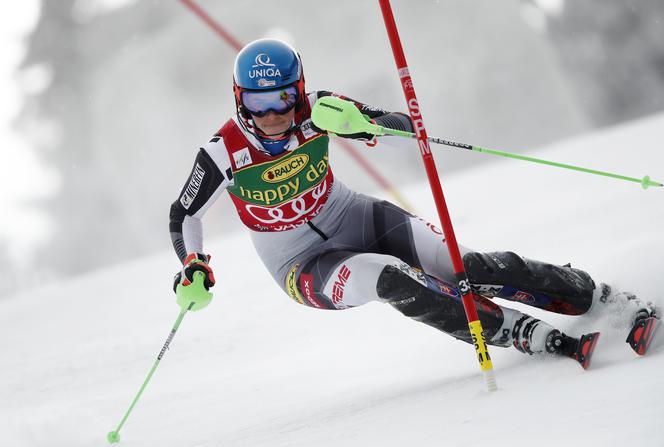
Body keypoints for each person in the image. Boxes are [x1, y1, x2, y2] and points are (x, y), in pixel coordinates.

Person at [169, 38, 659, 368]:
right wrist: (193, 264)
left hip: (354, 215)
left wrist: (364, 124)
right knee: (389, 278)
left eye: (282, 99)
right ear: (240, 100)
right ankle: (519, 332)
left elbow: (405, 130)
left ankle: (602, 299)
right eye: (258, 103)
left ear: (298, 91)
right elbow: (184, 213)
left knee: (463, 265)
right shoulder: (223, 151)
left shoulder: (318, 109)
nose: (273, 115)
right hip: (301, 266)